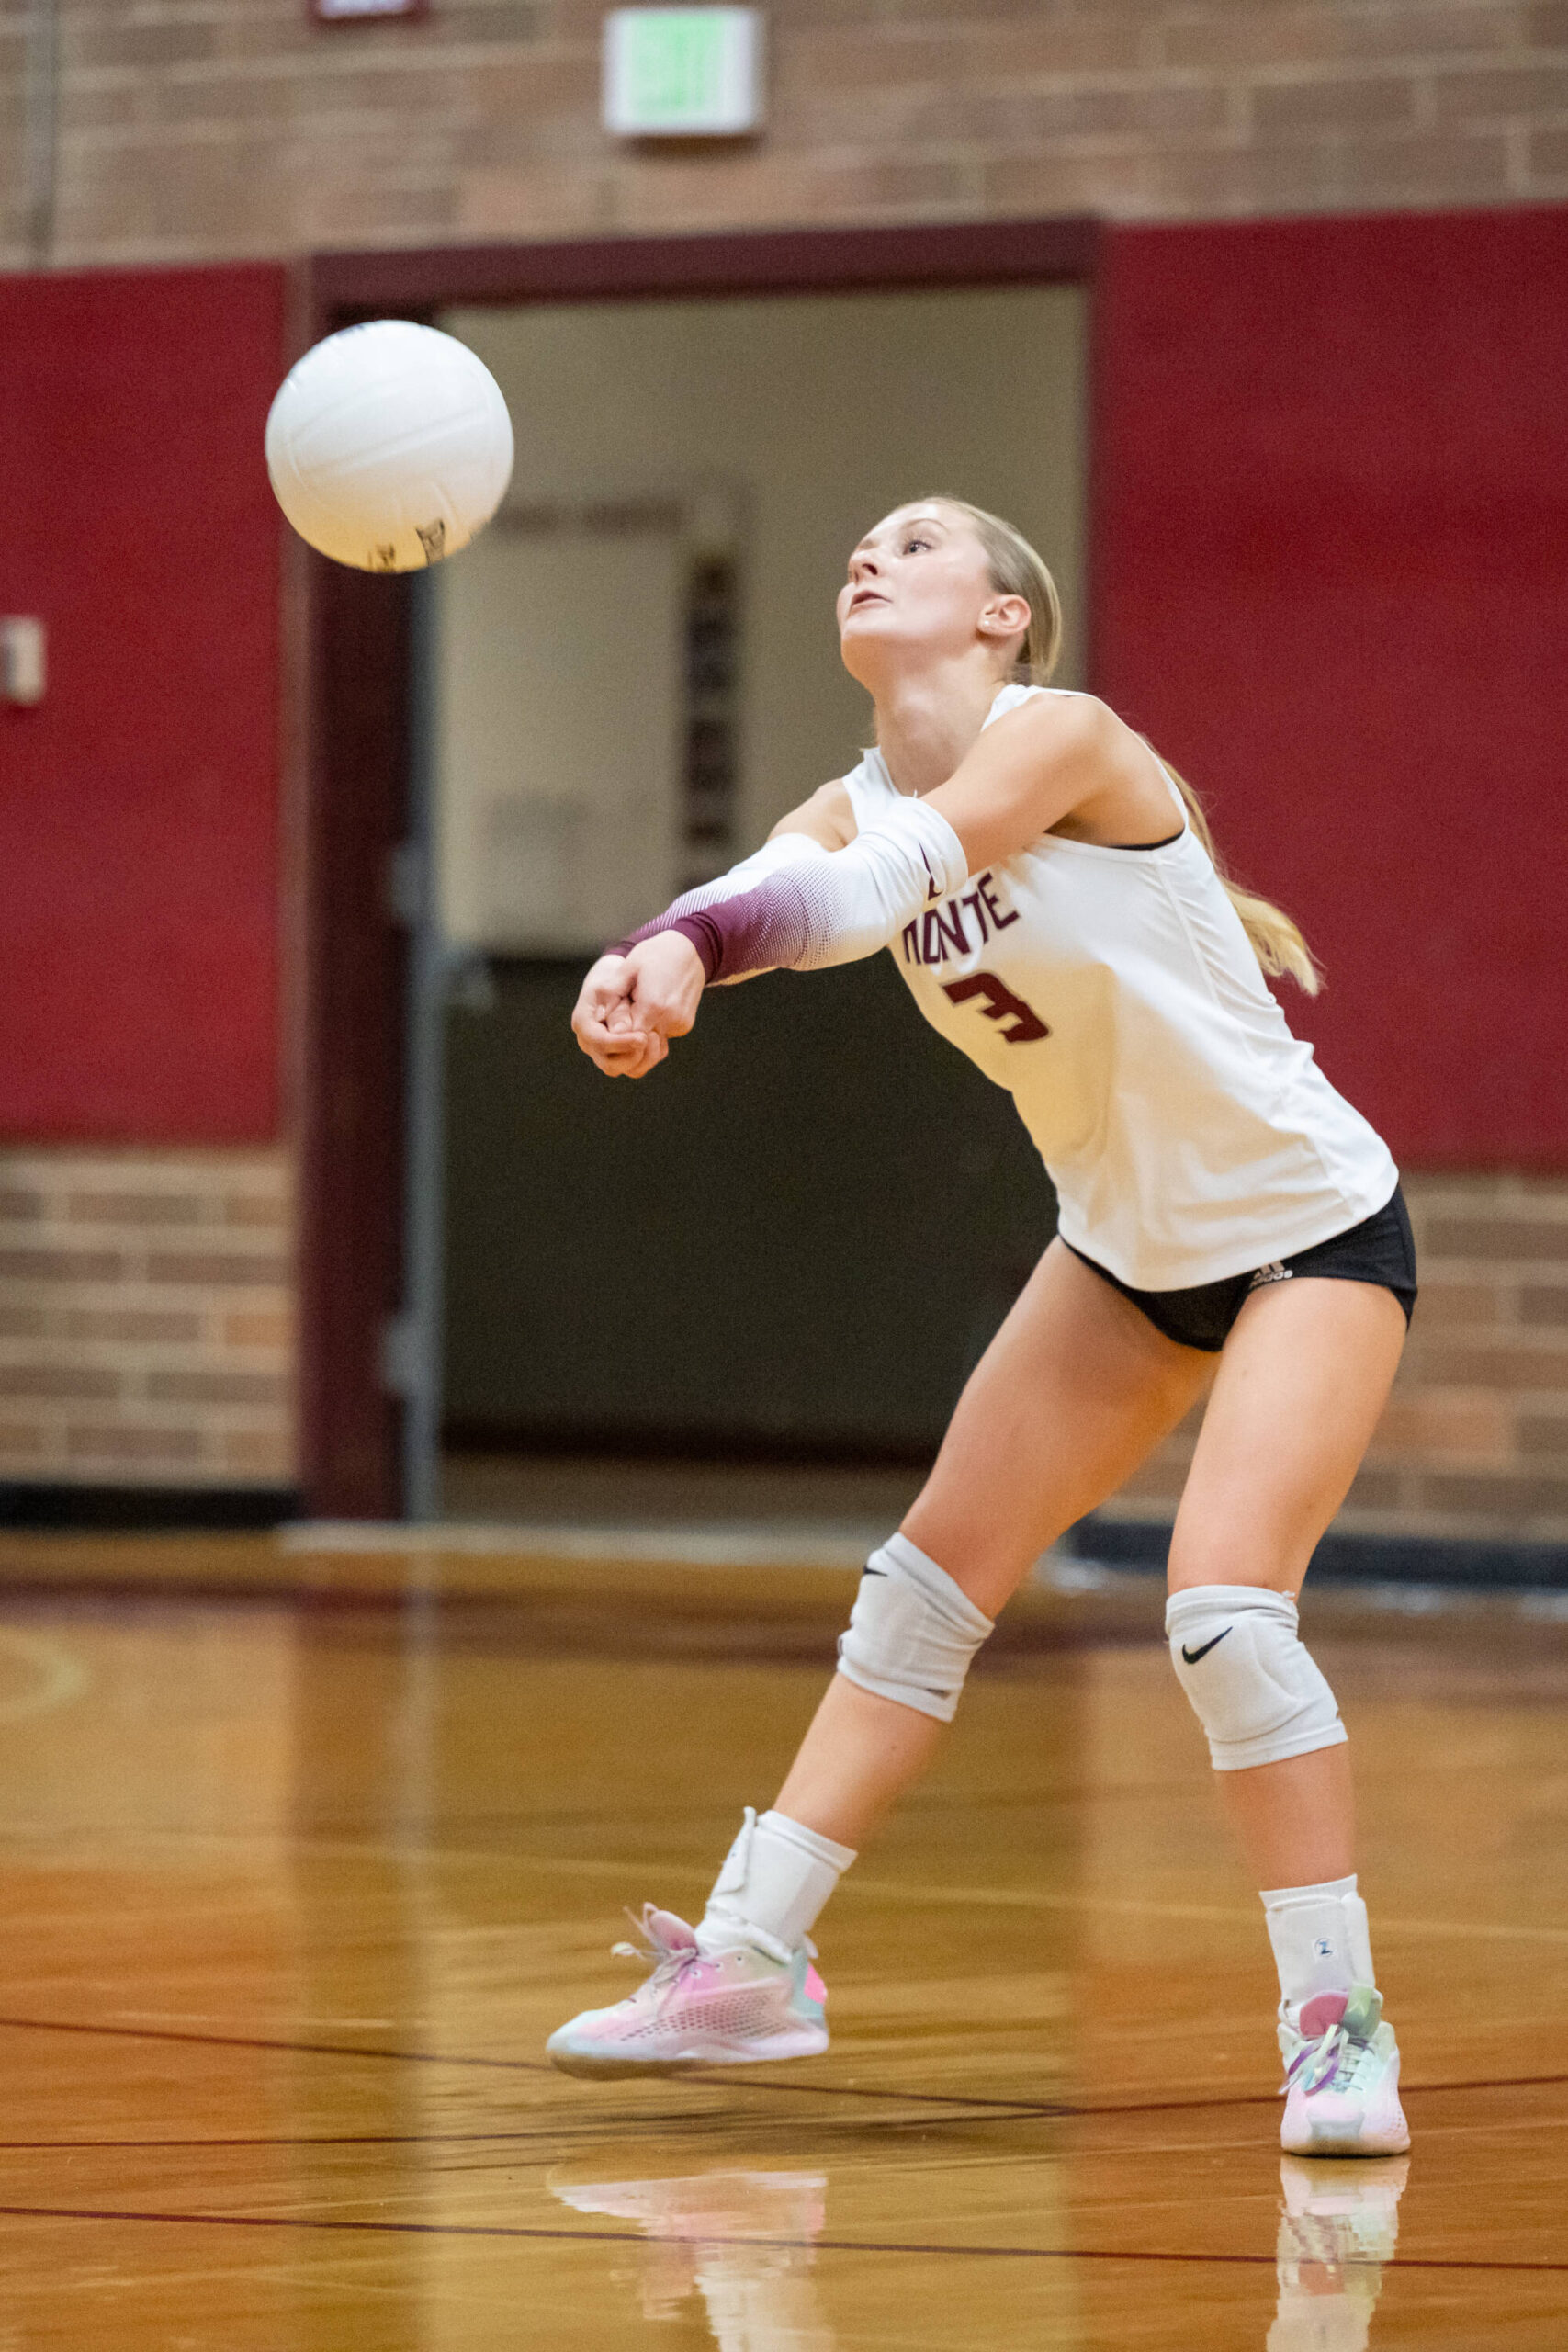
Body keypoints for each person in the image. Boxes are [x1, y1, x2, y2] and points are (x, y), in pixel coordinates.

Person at [547, 497, 1414, 2159]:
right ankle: (751, 1964)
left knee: (1227, 1611)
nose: (870, 553)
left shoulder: (1066, 740)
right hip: (1122, 1251)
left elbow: (877, 891)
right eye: (857, 542)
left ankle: (1336, 2027)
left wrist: (698, 944)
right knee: (923, 1586)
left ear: (1006, 616)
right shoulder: (845, 795)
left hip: (1311, 1234)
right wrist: (651, 960)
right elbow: (771, 886)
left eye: (921, 542)